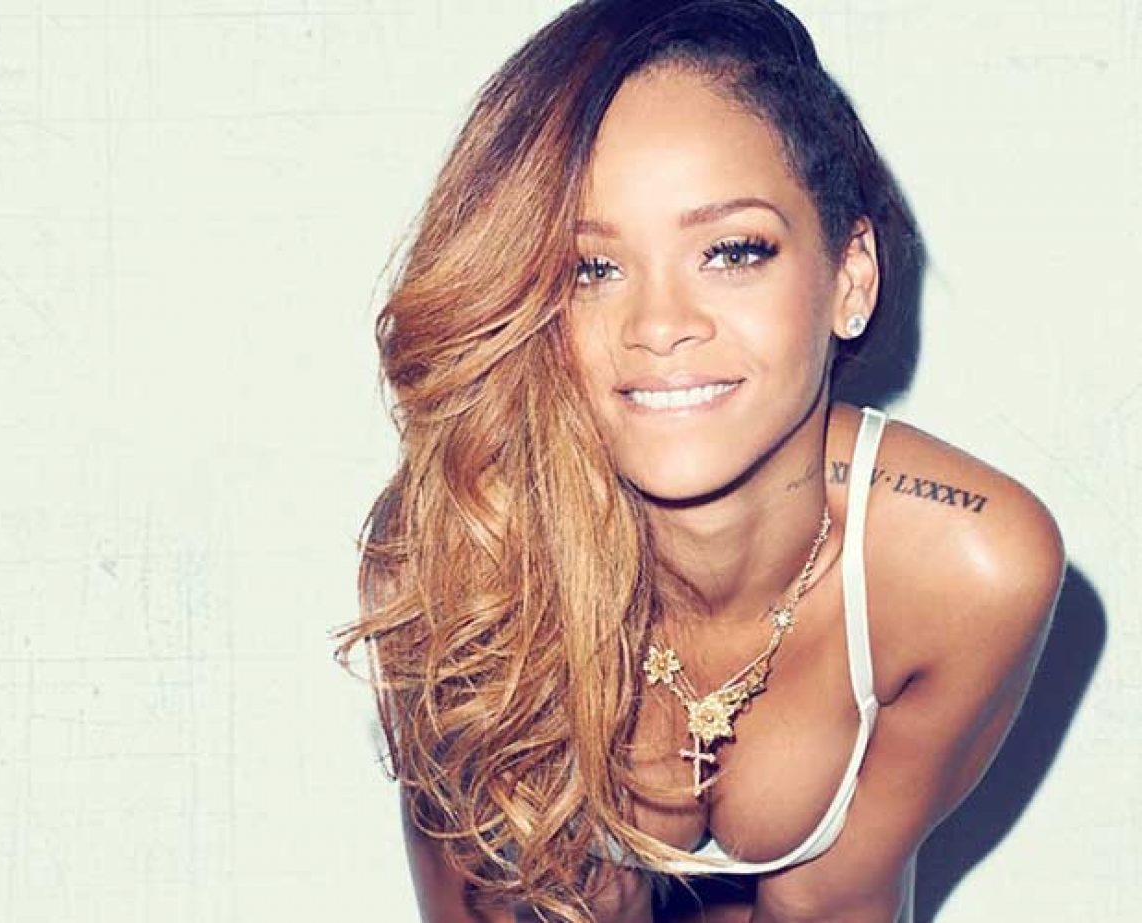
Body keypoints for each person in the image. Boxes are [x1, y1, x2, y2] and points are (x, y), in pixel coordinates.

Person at [334, 1, 1066, 920]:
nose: (660, 325)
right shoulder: (463, 548)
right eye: (591, 268)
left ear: (851, 276)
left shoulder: (968, 568)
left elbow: (830, 904)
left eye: (731, 251)